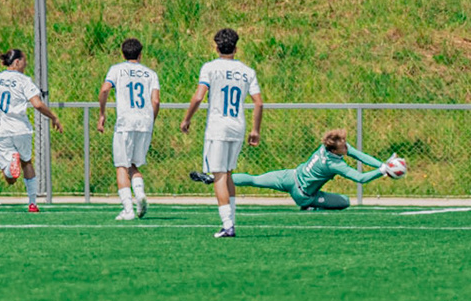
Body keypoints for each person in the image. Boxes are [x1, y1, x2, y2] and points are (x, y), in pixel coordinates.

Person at [180, 27, 263, 238]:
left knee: (218, 176)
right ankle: (231, 220)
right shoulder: (247, 71)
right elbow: (259, 103)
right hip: (238, 126)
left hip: (217, 127)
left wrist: (187, 118)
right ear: (236, 48)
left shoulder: (210, 67)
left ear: (216, 47)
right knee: (228, 174)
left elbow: (199, 97)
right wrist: (255, 130)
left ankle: (227, 225)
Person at [209, 129, 404, 211]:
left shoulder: (326, 148)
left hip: (289, 176)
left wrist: (381, 164)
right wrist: (383, 171)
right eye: (344, 146)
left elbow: (359, 154)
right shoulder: (334, 164)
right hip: (303, 194)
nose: (347, 148)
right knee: (344, 202)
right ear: (335, 150)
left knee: (254, 179)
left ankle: (216, 178)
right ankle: (311, 204)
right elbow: (360, 178)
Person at [0, 48, 60, 213]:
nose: (25, 65)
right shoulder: (24, 81)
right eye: (24, 61)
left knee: (10, 178)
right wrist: (53, 117)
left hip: (0, 132)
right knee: (27, 162)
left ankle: (10, 165)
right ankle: (33, 203)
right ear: (17, 62)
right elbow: (37, 104)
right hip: (21, 130)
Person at [97, 37, 160, 220]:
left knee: (121, 166)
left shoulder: (117, 70)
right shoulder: (150, 73)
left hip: (125, 122)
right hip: (145, 122)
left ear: (122, 54)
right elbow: (155, 100)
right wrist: (151, 120)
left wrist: (102, 114)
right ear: (140, 55)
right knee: (134, 164)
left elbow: (104, 90)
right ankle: (139, 193)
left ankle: (128, 209)